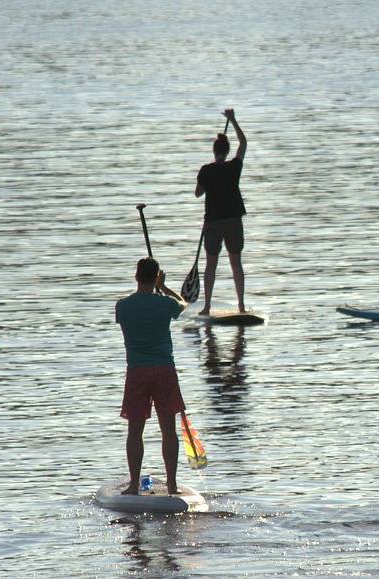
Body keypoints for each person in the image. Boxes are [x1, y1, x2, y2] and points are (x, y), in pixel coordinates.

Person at [115, 257, 188, 495]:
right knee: (169, 430)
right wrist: (164, 288)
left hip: (137, 372)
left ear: (136, 276)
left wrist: (155, 289)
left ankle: (134, 484)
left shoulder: (122, 306)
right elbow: (183, 304)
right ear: (157, 277)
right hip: (164, 370)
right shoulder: (164, 303)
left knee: (135, 431)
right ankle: (172, 484)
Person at [195, 108, 248, 315]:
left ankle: (207, 307)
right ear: (226, 152)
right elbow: (243, 144)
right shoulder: (234, 167)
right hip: (233, 220)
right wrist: (233, 120)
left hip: (213, 222)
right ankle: (241, 306)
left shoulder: (206, 170)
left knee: (211, 265)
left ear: (214, 151)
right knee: (236, 263)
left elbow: (197, 194)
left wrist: (208, 182)